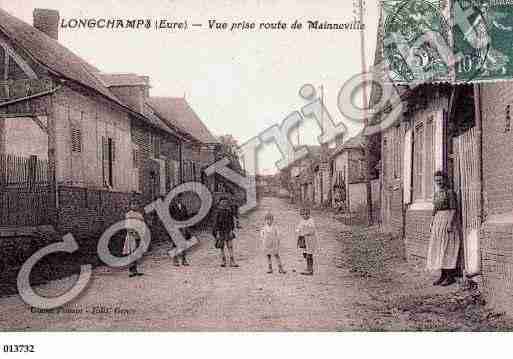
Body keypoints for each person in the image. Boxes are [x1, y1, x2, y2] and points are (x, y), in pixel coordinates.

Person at [426, 170, 461, 286]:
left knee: (447, 247)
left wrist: (450, 223)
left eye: (440, 179)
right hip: (438, 221)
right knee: (439, 247)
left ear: (445, 180)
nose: (438, 182)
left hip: (447, 220)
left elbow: (453, 209)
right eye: (436, 180)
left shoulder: (450, 193)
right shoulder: (437, 194)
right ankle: (442, 275)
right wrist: (432, 223)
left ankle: (450, 276)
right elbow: (434, 209)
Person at [213, 197, 239, 268]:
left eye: (225, 202)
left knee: (230, 246)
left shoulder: (229, 211)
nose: (224, 203)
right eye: (223, 202)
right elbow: (216, 223)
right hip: (220, 231)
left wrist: (231, 230)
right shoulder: (217, 212)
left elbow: (231, 222)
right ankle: (223, 260)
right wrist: (217, 232)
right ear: (220, 203)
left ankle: (232, 260)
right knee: (221, 246)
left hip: (228, 230)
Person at [123, 198, 145, 278]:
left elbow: (142, 225)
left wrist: (141, 233)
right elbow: (128, 226)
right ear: (130, 206)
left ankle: (136, 269)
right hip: (131, 236)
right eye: (133, 204)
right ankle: (131, 270)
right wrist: (133, 233)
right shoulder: (128, 214)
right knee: (131, 253)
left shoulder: (139, 215)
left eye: (136, 204)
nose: (135, 206)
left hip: (139, 235)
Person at [170, 194, 191, 267]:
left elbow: (186, 217)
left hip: (183, 226)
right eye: (177, 197)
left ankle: (184, 259)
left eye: (180, 198)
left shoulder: (184, 207)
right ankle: (175, 259)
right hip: (175, 226)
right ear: (175, 198)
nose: (179, 199)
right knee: (175, 243)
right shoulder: (172, 207)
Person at [296, 207, 318, 276]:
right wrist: (298, 230)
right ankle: (308, 267)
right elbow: (299, 227)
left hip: (310, 240)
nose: (305, 216)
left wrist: (306, 232)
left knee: (309, 254)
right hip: (304, 240)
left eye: (306, 214)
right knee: (305, 253)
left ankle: (310, 269)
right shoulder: (302, 221)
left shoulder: (311, 221)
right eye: (303, 214)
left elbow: (312, 230)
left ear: (309, 214)